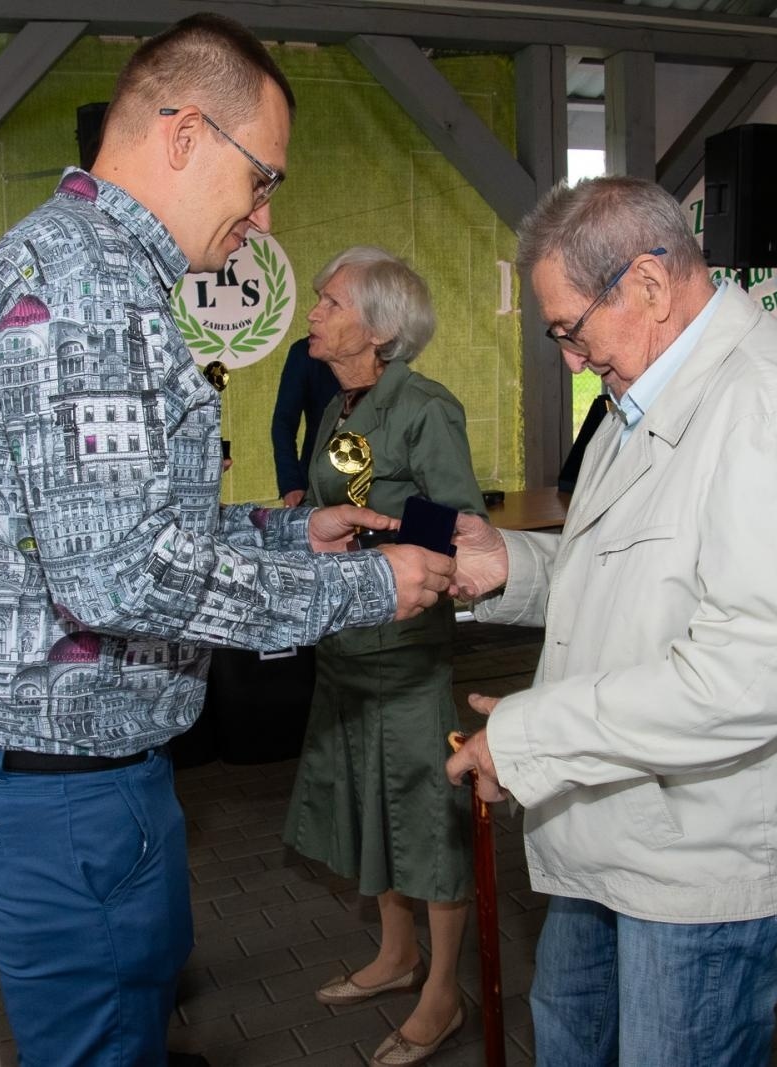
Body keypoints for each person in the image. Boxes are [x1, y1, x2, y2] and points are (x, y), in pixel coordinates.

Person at [0, 17, 457, 1065]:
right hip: (61, 779)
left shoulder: (82, 265)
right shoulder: (91, 289)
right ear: (184, 134)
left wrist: (294, 533)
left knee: (140, 1005)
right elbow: (117, 575)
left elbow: (132, 523)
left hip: (83, 766)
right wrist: (363, 587)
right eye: (262, 180)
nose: (263, 217)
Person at [444, 176, 777, 1067]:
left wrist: (527, 739)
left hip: (704, 856)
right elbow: (641, 573)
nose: (573, 360)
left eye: (571, 330)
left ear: (647, 284)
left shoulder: (764, 406)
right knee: (571, 1032)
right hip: (626, 819)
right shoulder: (649, 391)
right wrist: (510, 568)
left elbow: (756, 668)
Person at [283, 247, 484, 1067]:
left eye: (330, 302)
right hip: (345, 646)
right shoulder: (341, 406)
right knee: (372, 804)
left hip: (402, 651)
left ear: (378, 327)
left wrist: (389, 551)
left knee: (427, 819)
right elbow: (333, 504)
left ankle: (443, 992)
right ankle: (397, 954)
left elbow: (457, 518)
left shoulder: (425, 406)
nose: (314, 313)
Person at [271, 335, 341, 505]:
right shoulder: (306, 351)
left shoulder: (382, 345)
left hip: (380, 477)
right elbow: (284, 422)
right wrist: (291, 484)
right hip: (317, 481)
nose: (313, 321)